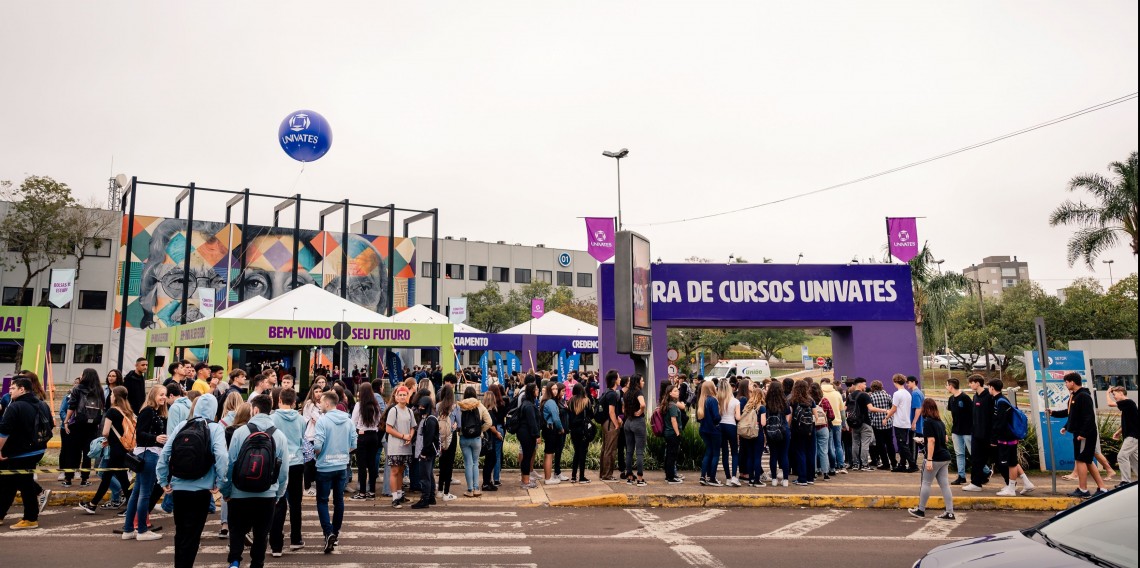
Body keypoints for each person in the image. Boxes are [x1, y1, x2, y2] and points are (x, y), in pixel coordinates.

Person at [156, 393, 228, 568]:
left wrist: (163, 479)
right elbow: (221, 457)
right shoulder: (216, 428)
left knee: (180, 532)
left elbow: (165, 453)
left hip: (179, 487)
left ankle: (179, 565)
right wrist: (220, 482)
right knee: (193, 534)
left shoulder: (182, 425)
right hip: (202, 489)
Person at [221, 395, 289, 568]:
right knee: (261, 534)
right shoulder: (279, 436)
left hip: (239, 493)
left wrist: (226, 491)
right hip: (267, 494)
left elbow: (230, 465)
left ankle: (235, 561)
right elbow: (284, 471)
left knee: (236, 530)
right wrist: (278, 494)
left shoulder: (240, 432)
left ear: (255, 410)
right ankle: (257, 564)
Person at [0, 376, 54, 529]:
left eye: (12, 388)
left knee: (22, 484)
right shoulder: (42, 404)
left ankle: (31, 518)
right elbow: (50, 425)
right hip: (37, 450)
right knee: (11, 482)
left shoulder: (15, 407)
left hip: (19, 453)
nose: (9, 391)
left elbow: (4, 432)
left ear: (22, 389)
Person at [78, 386, 135, 514]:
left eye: (112, 394)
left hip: (115, 450)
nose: (110, 396)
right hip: (125, 448)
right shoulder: (128, 411)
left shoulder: (112, 411)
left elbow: (105, 432)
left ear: (115, 397)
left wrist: (106, 439)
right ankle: (93, 504)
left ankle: (131, 507)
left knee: (112, 477)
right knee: (113, 477)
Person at [1050, 373, 1107, 498]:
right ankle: (1102, 488)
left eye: (1066, 382)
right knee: (1087, 461)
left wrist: (1083, 434)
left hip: (1084, 435)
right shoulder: (1075, 396)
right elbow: (1071, 413)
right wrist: (1055, 415)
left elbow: (1089, 417)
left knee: (1081, 460)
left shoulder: (1083, 396)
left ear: (1072, 382)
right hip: (1079, 433)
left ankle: (1083, 490)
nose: (1065, 384)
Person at [313, 391, 358, 552]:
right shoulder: (348, 420)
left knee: (322, 501)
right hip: (341, 466)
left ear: (327, 404)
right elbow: (354, 443)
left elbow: (317, 446)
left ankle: (328, 532)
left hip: (324, 466)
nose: (319, 404)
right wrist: (344, 452)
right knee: (339, 501)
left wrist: (318, 454)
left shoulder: (322, 421)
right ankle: (335, 533)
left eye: (321, 402)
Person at [122, 385, 168, 540]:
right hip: (149, 454)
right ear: (153, 394)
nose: (164, 397)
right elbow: (140, 435)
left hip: (147, 454)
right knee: (144, 494)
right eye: (161, 394)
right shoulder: (148, 411)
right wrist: (155, 438)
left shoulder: (153, 411)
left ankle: (128, 530)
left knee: (136, 494)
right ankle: (141, 530)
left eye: (165, 395)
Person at [270, 388, 306, 556]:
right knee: (296, 502)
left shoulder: (272, 419)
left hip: (278, 463)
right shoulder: (300, 419)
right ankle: (296, 539)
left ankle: (276, 545)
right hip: (297, 462)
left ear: (278, 401)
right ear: (294, 403)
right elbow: (304, 441)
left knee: (278, 502)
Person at [908, 398, 955, 520]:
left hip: (934, 458)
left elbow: (932, 440)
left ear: (925, 409)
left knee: (926, 483)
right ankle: (950, 512)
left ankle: (921, 510)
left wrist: (929, 459)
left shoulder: (928, 422)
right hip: (945, 457)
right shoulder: (940, 422)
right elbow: (945, 439)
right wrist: (926, 440)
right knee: (945, 485)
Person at [987, 379, 1035, 497]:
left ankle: (1012, 489)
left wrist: (994, 438)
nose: (988, 389)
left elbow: (1001, 422)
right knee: (1012, 460)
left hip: (1007, 437)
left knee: (1011, 463)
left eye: (989, 387)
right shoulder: (1001, 400)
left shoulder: (1001, 402)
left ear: (992, 388)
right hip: (1008, 436)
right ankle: (1026, 483)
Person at [61, 368, 104, 487]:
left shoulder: (77, 388)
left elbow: (72, 405)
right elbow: (102, 407)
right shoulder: (99, 390)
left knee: (73, 452)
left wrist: (66, 421)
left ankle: (68, 479)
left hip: (77, 425)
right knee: (88, 453)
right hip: (92, 425)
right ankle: (84, 479)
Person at [457, 386, 494, 496]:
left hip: (464, 438)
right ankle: (476, 489)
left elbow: (456, 422)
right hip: (477, 439)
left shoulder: (459, 406)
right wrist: (480, 431)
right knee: (475, 463)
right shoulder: (480, 405)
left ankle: (469, 490)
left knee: (468, 463)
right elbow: (489, 422)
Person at [385, 386, 416, 508]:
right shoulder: (394, 410)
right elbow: (388, 428)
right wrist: (403, 436)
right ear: (396, 397)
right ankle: (394, 497)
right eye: (400, 395)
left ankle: (400, 494)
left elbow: (413, 427)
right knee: (394, 470)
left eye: (405, 395)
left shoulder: (410, 411)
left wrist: (410, 436)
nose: (403, 397)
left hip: (405, 447)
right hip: (395, 446)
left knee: (401, 471)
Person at [350, 383, 382, 501]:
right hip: (374, 436)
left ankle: (362, 493)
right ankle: (372, 492)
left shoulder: (359, 405)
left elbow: (353, 422)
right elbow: (379, 421)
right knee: (372, 465)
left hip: (362, 436)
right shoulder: (376, 405)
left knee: (362, 466)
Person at [962, 375, 994, 492]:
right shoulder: (975, 397)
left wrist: (992, 436)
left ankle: (1011, 483)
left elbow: (992, 417)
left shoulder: (989, 397)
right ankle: (976, 483)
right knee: (975, 459)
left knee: (998, 459)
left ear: (977, 383)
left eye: (971, 383)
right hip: (976, 434)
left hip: (987, 435)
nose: (969, 385)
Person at [410, 396, 440, 510]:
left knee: (425, 476)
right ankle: (431, 497)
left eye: (423, 406)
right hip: (428, 452)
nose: (420, 408)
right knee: (429, 475)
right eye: (419, 406)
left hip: (426, 452)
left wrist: (423, 452)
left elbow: (428, 439)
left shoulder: (430, 420)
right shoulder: (428, 418)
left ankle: (425, 499)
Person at [946, 378, 975, 485]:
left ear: (951, 386)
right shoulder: (951, 399)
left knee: (973, 453)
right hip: (956, 431)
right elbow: (953, 414)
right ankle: (961, 476)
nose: (946, 387)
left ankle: (985, 471)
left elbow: (973, 413)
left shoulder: (965, 398)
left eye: (947, 385)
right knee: (959, 454)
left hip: (967, 430)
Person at [1107, 386, 1138, 485]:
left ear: (1121, 393)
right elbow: (1132, 421)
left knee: (1122, 456)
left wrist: (1107, 393)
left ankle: (1125, 481)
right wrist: (1119, 431)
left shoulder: (1128, 402)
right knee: (1134, 460)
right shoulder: (1128, 405)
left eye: (1114, 394)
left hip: (1133, 436)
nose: (1114, 397)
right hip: (1131, 435)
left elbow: (1110, 404)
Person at [788, 380, 817, 486]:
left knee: (800, 453)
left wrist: (789, 428)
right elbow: (816, 417)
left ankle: (802, 478)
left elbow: (790, 417)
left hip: (797, 430)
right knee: (810, 452)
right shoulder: (811, 400)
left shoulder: (792, 400)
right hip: (810, 429)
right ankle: (810, 478)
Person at [885, 374, 915, 472]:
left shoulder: (897, 394)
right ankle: (902, 464)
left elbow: (894, 409)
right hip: (906, 421)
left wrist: (886, 417)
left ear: (895, 382)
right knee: (902, 444)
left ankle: (912, 464)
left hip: (899, 422)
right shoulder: (907, 393)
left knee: (902, 445)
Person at [762, 381, 790, 486]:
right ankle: (785, 480)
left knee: (773, 455)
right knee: (784, 455)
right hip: (783, 430)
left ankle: (774, 479)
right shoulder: (784, 401)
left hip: (770, 431)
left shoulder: (766, 402)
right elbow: (788, 416)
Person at [435, 385, 460, 501]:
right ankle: (446, 493)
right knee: (449, 464)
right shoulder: (455, 407)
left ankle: (439, 490)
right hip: (451, 436)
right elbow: (459, 424)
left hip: (439, 436)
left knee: (441, 463)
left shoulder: (438, 406)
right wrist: (455, 427)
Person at [622, 375, 648, 486]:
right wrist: (640, 411)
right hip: (638, 422)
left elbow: (623, 408)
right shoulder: (638, 392)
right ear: (637, 382)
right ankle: (640, 478)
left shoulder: (626, 393)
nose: (644, 382)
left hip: (628, 422)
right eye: (642, 380)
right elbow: (643, 404)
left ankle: (629, 476)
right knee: (639, 452)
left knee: (629, 451)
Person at [598, 370, 623, 481]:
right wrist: (616, 424)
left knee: (605, 448)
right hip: (610, 423)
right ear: (614, 380)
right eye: (618, 377)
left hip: (605, 422)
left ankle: (603, 473)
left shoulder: (606, 392)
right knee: (610, 450)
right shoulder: (613, 394)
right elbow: (611, 411)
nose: (620, 379)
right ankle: (607, 475)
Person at [697, 380, 722, 486]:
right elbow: (716, 417)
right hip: (713, 430)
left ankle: (703, 476)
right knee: (716, 453)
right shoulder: (713, 400)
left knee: (708, 452)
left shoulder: (702, 400)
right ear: (712, 388)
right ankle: (712, 477)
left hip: (704, 429)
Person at [567, 385, 594, 484]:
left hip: (574, 430)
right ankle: (582, 476)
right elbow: (591, 415)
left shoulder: (570, 401)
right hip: (583, 430)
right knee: (583, 453)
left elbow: (568, 416)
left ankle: (573, 476)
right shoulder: (586, 401)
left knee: (576, 452)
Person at [482, 385, 507, 491]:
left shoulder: (484, 411)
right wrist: (497, 433)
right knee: (493, 458)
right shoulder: (491, 411)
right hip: (493, 435)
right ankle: (490, 481)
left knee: (491, 459)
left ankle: (488, 481)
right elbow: (491, 425)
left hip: (489, 436)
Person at [542, 382, 567, 485]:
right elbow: (556, 418)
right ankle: (548, 478)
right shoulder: (551, 402)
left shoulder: (546, 401)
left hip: (548, 429)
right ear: (549, 390)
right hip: (551, 430)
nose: (555, 391)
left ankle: (548, 477)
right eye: (553, 389)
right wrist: (561, 429)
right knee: (549, 455)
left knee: (548, 454)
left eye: (556, 388)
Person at [717, 379, 742, 487]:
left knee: (725, 453)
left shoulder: (718, 400)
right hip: (731, 426)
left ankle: (727, 477)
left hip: (721, 426)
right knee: (734, 452)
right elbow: (737, 417)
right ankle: (734, 477)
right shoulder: (735, 401)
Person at [847, 378, 875, 471]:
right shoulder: (864, 395)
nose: (865, 386)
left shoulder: (850, 395)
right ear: (859, 385)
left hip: (854, 423)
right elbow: (871, 408)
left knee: (855, 443)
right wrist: (884, 410)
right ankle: (864, 465)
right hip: (864, 422)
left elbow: (845, 408)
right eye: (864, 384)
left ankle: (855, 464)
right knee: (865, 444)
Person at [517, 382, 541, 489]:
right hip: (527, 434)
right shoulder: (529, 406)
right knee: (527, 457)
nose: (538, 391)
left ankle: (524, 479)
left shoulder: (526, 403)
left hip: (523, 433)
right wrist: (537, 435)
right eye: (536, 389)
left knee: (526, 456)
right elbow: (532, 422)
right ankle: (525, 482)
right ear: (532, 391)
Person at [867, 380, 895, 471]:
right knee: (890, 443)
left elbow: (870, 411)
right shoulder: (887, 395)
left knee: (880, 445)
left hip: (877, 423)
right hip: (887, 422)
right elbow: (891, 408)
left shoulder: (871, 397)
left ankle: (885, 463)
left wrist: (872, 420)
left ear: (872, 387)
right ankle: (894, 462)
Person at [301, 383, 324, 496]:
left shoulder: (322, 404)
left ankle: (312, 483)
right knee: (309, 462)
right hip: (309, 436)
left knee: (316, 462)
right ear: (312, 393)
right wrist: (321, 419)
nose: (319, 394)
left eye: (320, 391)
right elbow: (319, 418)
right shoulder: (310, 404)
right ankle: (307, 487)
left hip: (318, 436)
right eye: (316, 392)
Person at [820, 378, 846, 474]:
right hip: (837, 422)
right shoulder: (837, 394)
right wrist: (844, 424)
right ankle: (841, 464)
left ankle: (832, 465)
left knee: (829, 446)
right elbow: (842, 411)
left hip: (826, 423)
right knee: (838, 445)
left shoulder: (821, 394)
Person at [661, 383, 685, 484]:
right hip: (672, 433)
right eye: (675, 391)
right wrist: (678, 433)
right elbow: (673, 420)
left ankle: (668, 475)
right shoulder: (673, 406)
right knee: (672, 455)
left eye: (677, 390)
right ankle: (671, 477)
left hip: (668, 432)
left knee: (669, 455)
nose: (677, 392)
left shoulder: (667, 404)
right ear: (670, 393)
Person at [906, 376, 925, 466]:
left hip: (916, 424)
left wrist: (913, 422)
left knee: (913, 445)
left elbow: (918, 408)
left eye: (908, 382)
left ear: (913, 382)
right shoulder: (918, 392)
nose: (907, 384)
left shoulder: (915, 393)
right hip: (919, 423)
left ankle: (913, 464)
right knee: (920, 443)